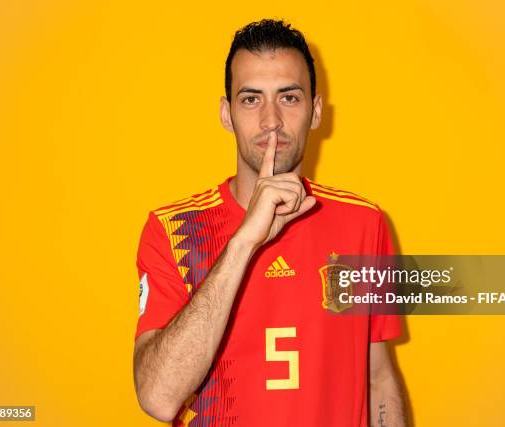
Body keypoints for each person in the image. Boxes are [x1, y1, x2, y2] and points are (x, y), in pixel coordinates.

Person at [132, 19, 406, 426]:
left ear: (315, 112)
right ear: (226, 114)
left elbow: (378, 378)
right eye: (251, 99)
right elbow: (157, 397)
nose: (271, 120)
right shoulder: (173, 230)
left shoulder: (363, 223)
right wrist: (244, 241)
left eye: (289, 98)